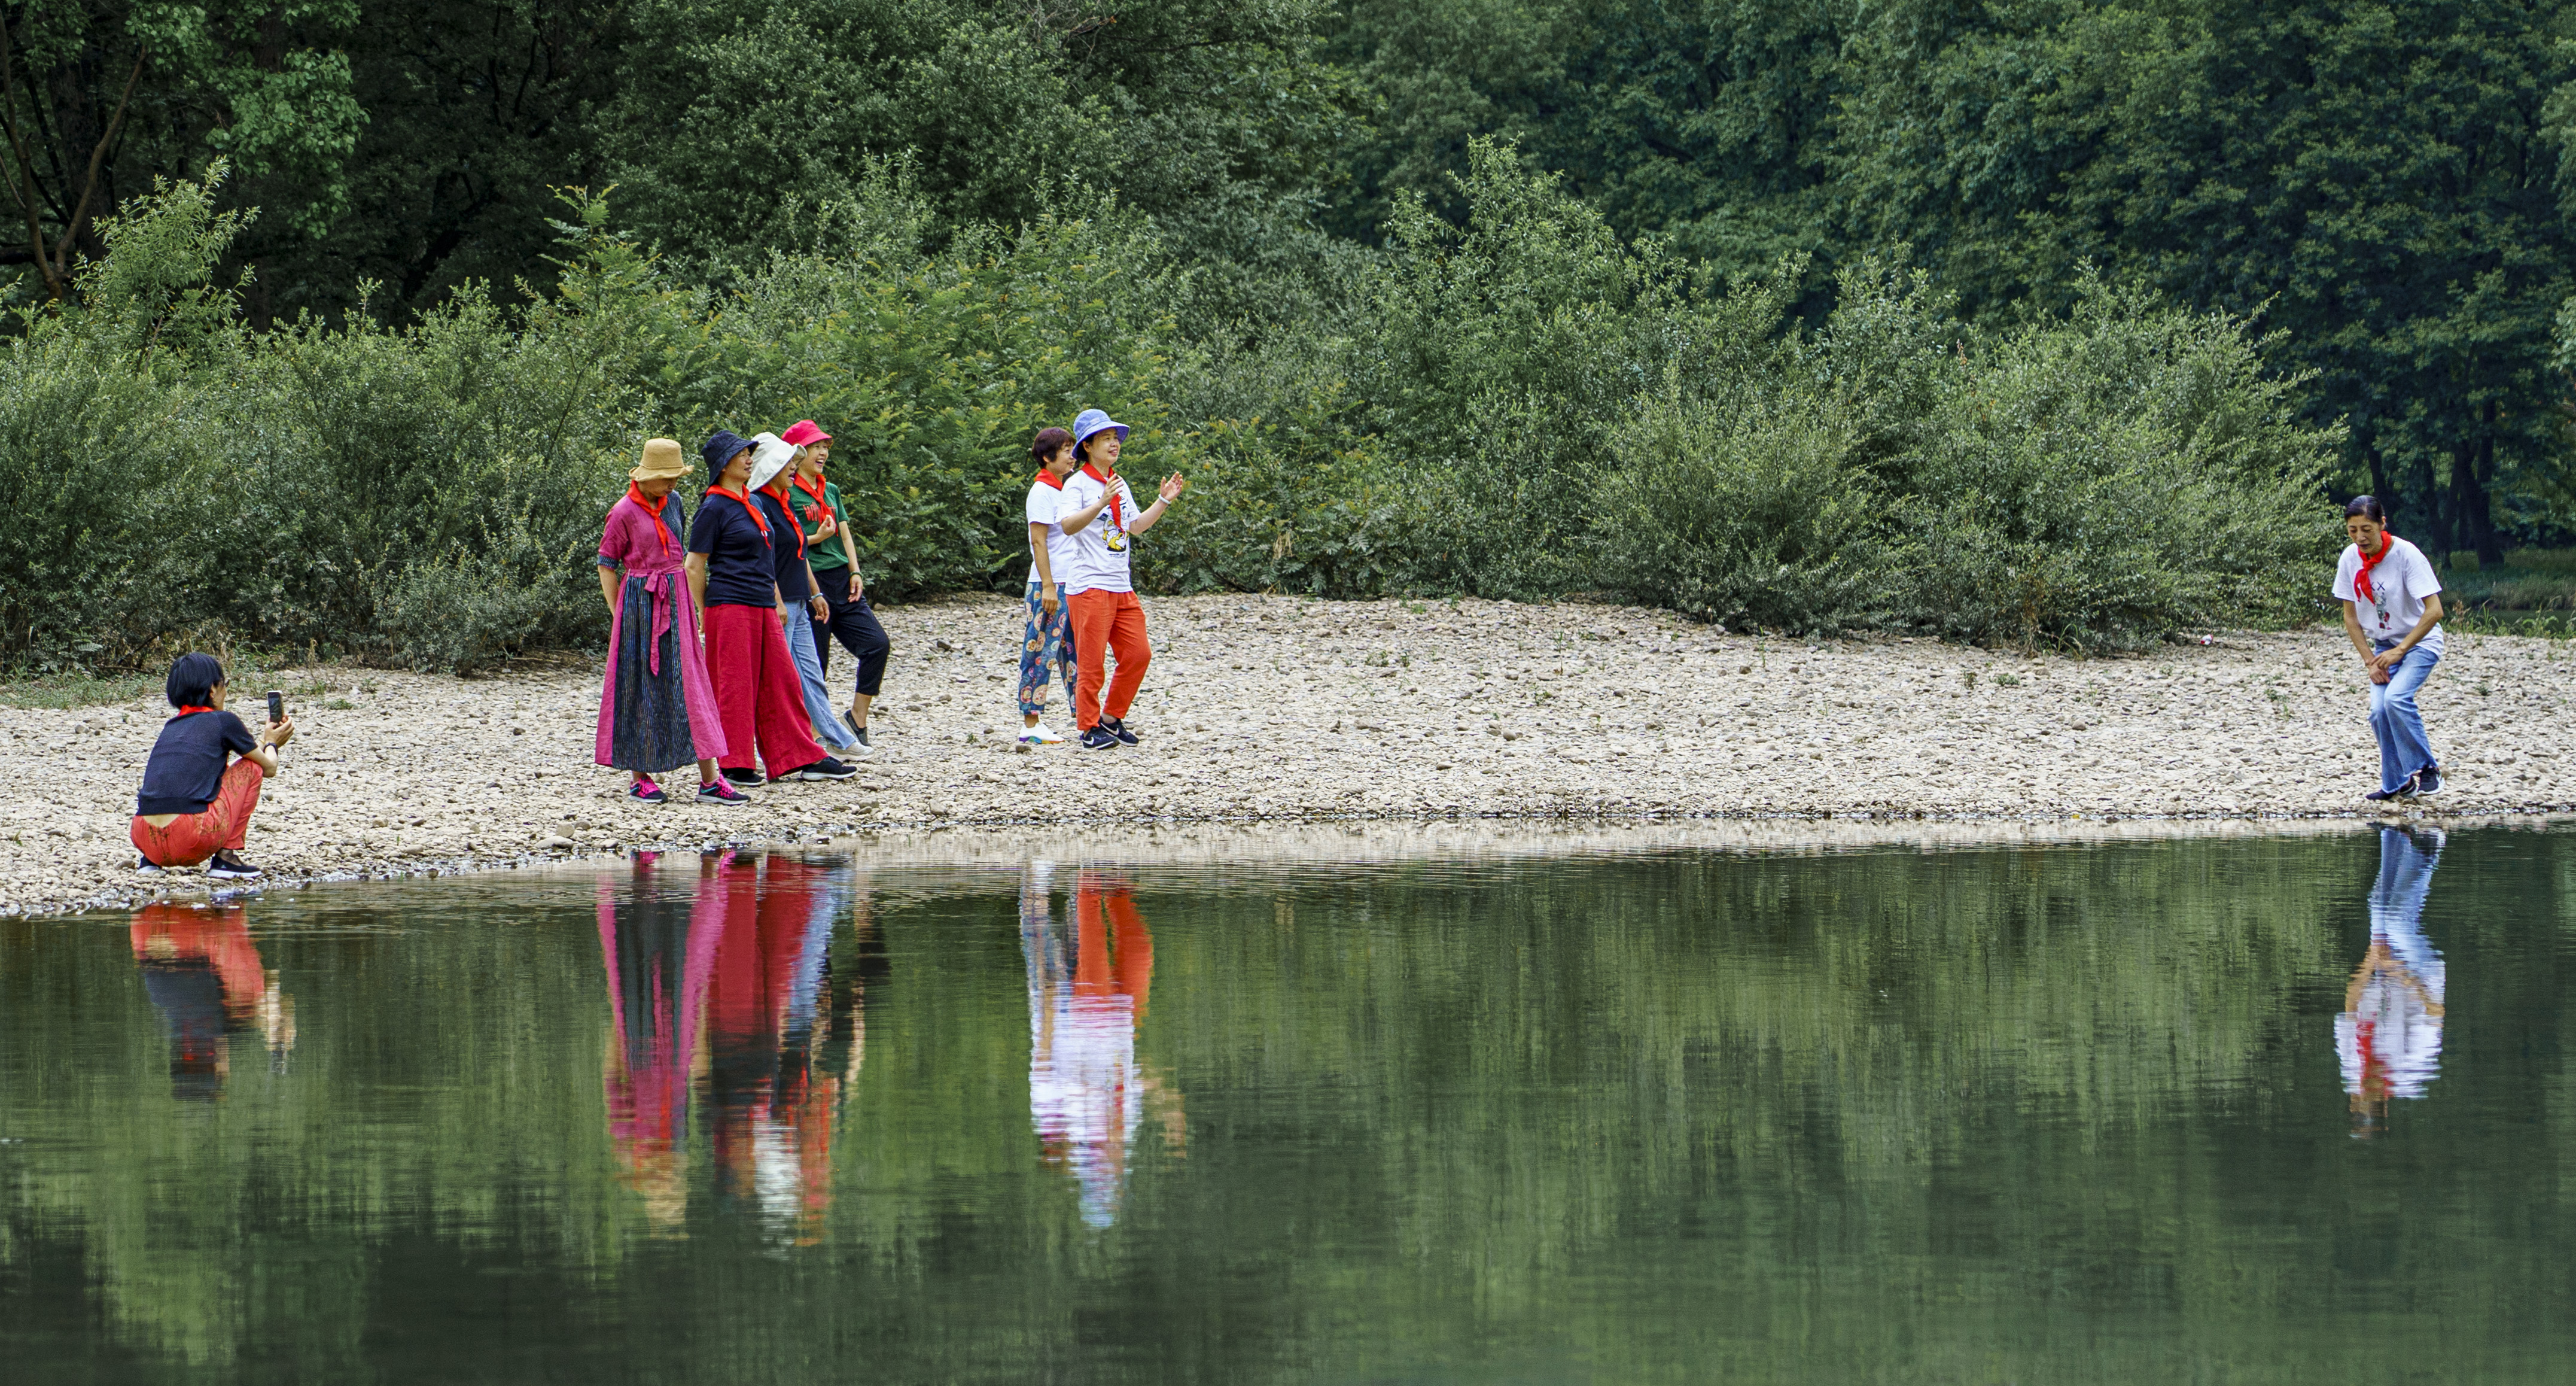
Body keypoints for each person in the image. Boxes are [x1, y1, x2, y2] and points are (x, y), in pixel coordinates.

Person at [686, 430, 853, 787]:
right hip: (729, 604)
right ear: (723, 466)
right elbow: (694, 566)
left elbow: (768, 560)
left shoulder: (754, 503)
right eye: (741, 455)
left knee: (783, 681)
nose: (749, 459)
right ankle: (735, 764)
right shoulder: (713, 507)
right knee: (735, 685)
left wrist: (776, 601)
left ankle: (800, 757)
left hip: (762, 602)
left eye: (749, 454)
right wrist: (703, 611)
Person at [596, 438, 744, 806]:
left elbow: (680, 556)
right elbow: (606, 564)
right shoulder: (622, 512)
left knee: (691, 682)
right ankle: (640, 778)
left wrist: (694, 607)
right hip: (638, 602)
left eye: (675, 476)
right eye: (666, 477)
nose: (673, 484)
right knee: (640, 684)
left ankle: (711, 779)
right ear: (647, 477)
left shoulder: (675, 502)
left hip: (675, 594)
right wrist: (619, 615)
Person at [1055, 408, 1187, 751]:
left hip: (1120, 583)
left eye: (1116, 438)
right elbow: (1067, 526)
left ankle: (1111, 719)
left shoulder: (1118, 481)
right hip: (1089, 584)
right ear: (1087, 446)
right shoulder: (1077, 484)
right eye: (1106, 438)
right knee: (1092, 661)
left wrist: (1163, 501)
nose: (1114, 444)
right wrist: (1101, 502)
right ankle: (1088, 727)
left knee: (1138, 654)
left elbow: (1134, 526)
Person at [748, 432, 864, 761]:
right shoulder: (761, 503)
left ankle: (837, 738)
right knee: (778, 676)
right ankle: (774, 746)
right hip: (781, 602)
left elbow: (798, 552)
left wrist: (815, 592)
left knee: (811, 674)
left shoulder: (784, 502)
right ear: (773, 468)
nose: (794, 468)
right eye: (789, 463)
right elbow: (765, 557)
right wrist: (778, 601)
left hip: (800, 598)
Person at [778, 421, 892, 753]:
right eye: (816, 447)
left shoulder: (831, 490)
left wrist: (856, 572)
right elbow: (791, 545)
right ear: (798, 454)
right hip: (812, 582)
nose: (824, 452)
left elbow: (844, 532)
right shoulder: (788, 492)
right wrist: (817, 539)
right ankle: (814, 735)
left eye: (826, 447)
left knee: (877, 644)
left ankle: (857, 718)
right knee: (816, 662)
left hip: (844, 580)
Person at [130, 652, 294, 880]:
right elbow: (268, 767)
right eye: (224, 684)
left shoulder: (171, 726)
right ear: (212, 690)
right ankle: (226, 860)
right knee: (251, 768)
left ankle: (149, 862)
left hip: (145, 838)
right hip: (190, 837)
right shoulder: (223, 720)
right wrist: (272, 743)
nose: (225, 691)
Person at [2333, 496, 2447, 801]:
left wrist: (2401, 651)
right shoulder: (2349, 559)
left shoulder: (2407, 555)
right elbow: (2351, 617)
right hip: (2383, 646)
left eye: (2367, 529)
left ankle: (2428, 769)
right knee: (2378, 712)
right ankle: (2398, 783)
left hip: (2420, 641)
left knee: (2397, 699)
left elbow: (2435, 611)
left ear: (2383, 524)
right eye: (2353, 530)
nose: (2360, 537)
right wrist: (2370, 660)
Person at [2337, 826, 2447, 1136]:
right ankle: (2429, 847)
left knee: (2377, 905)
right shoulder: (2412, 1070)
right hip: (2419, 975)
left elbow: (2351, 1003)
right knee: (2397, 921)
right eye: (2368, 1094)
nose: (2362, 1085)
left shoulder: (2351, 1067)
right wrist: (2398, 970)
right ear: (2383, 1101)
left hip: (2381, 968)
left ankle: (2396, 834)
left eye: (2358, 1096)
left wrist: (2372, 957)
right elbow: (2435, 1011)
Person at [1017, 425, 1082, 744]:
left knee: (1074, 651)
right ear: (1047, 457)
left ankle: (1084, 716)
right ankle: (1030, 723)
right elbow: (1038, 541)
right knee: (1040, 649)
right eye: (1067, 450)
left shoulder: (1062, 491)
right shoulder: (1041, 492)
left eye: (1073, 449)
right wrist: (1049, 586)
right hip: (1048, 584)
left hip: (1072, 583)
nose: (1072, 457)